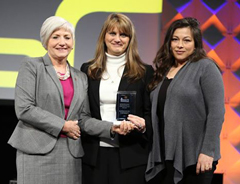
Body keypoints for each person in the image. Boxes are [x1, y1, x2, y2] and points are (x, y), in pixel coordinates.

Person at [8, 16, 134, 184]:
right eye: (55, 37)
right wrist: (64, 125)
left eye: (67, 37)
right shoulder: (32, 66)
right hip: (36, 151)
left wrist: (111, 127)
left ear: (73, 43)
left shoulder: (80, 76)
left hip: (70, 154)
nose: (62, 42)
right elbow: (25, 108)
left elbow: (83, 118)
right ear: (46, 41)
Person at [145, 17, 225, 184]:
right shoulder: (164, 70)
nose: (179, 45)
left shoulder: (206, 67)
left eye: (186, 40)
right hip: (166, 155)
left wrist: (207, 151)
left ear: (195, 44)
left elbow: (216, 113)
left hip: (196, 157)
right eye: (175, 39)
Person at [80, 13, 154, 184]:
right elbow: (83, 113)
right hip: (94, 156)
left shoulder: (144, 71)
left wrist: (143, 125)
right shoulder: (88, 69)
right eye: (112, 33)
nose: (117, 39)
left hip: (131, 156)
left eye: (123, 34)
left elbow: (151, 114)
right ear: (104, 36)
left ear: (130, 39)